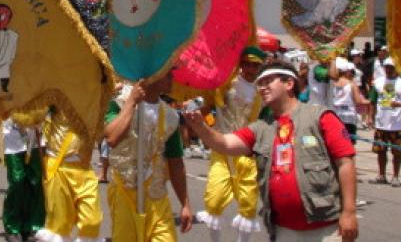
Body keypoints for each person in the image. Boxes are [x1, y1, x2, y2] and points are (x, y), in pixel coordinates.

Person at [183, 60, 358, 242]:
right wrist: (199, 125)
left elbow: (346, 163)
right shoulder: (261, 128)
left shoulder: (320, 117)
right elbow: (225, 144)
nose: (262, 87)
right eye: (260, 83)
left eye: (268, 81)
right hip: (283, 230)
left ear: (289, 84)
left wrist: (349, 212)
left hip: (325, 229)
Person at [104, 73, 194, 242]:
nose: (172, 78)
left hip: (157, 198)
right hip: (125, 193)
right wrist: (131, 102)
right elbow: (112, 138)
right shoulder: (119, 103)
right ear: (152, 75)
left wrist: (185, 204)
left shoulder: (171, 116)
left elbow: (176, 162)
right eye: (167, 73)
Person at [199, 46, 266, 242]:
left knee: (248, 201)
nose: (250, 69)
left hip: (247, 150)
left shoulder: (262, 90)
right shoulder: (227, 84)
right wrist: (205, 125)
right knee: (215, 196)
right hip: (222, 146)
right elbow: (208, 106)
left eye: (254, 65)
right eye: (246, 64)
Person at [35, 111, 103, 242]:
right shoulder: (57, 93)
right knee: (59, 228)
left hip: (84, 168)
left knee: (92, 221)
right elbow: (34, 113)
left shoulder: (95, 94)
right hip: (59, 166)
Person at [368, 58, 401, 186]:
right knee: (381, 151)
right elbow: (372, 100)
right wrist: (370, 117)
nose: (388, 69)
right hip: (381, 123)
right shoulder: (378, 82)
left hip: (396, 125)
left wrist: (399, 104)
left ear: (396, 68)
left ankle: (395, 176)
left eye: (391, 67)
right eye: (386, 67)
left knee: (397, 153)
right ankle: (381, 175)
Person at [1, 117, 45, 241]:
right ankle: (12, 227)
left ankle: (34, 225)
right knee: (17, 180)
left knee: (35, 180)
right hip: (13, 137)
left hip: (36, 136)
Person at [332, 58, 369, 144]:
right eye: (351, 72)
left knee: (338, 142)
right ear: (346, 71)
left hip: (336, 114)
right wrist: (371, 101)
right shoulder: (351, 84)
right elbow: (358, 101)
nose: (353, 74)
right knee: (349, 144)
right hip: (349, 117)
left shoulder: (333, 83)